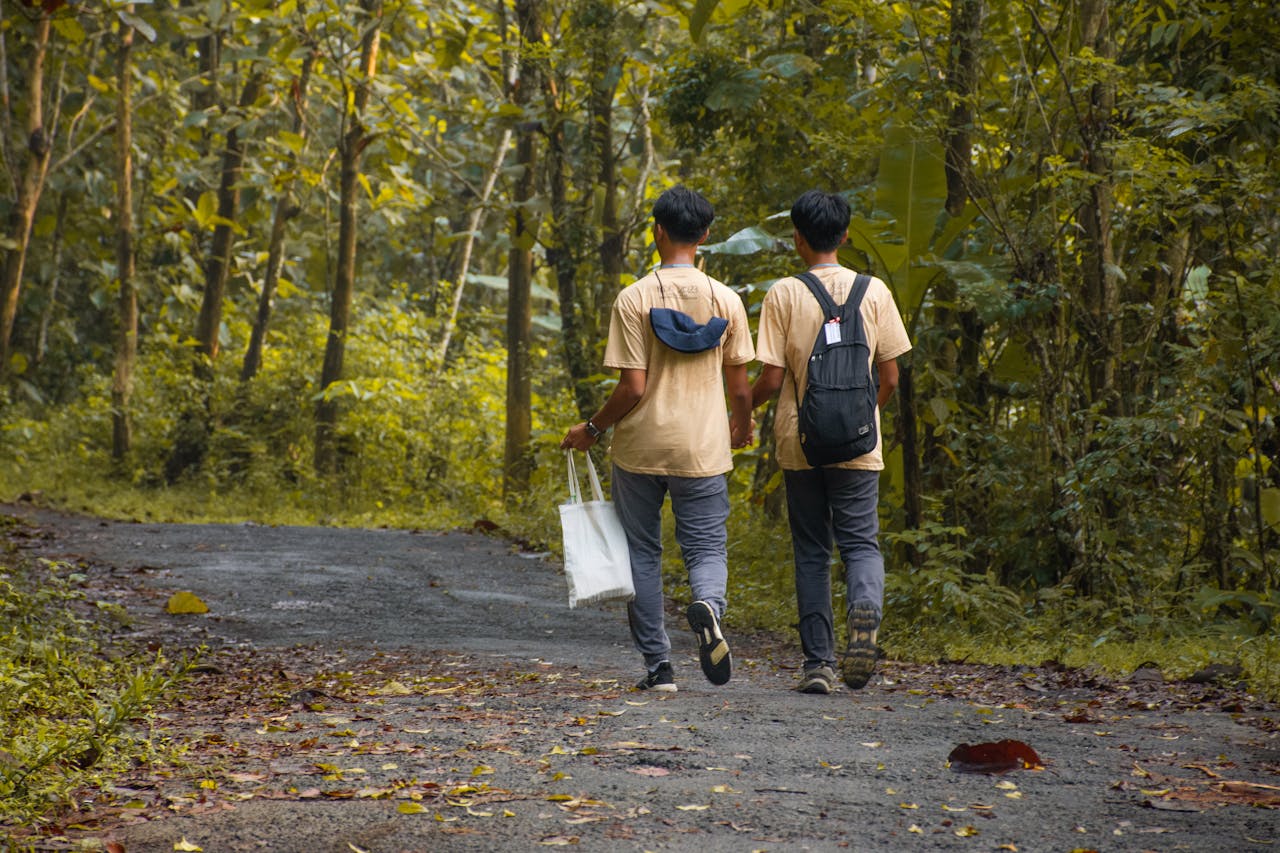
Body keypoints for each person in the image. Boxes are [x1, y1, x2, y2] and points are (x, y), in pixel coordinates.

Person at [561, 185, 754, 693]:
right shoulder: (727, 301)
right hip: (703, 447)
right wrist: (743, 426)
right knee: (707, 548)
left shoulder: (634, 298)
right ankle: (709, 608)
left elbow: (632, 387)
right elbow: (739, 386)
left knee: (641, 553)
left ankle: (659, 669)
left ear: (658, 232)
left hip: (640, 448)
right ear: (706, 235)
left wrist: (592, 429)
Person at [750, 190, 912, 695]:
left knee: (812, 550)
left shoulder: (784, 293)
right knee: (861, 542)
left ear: (797, 238)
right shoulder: (875, 291)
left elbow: (772, 380)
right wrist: (863, 418)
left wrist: (737, 410)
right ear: (844, 236)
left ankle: (817, 664)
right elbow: (890, 376)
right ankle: (865, 608)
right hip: (860, 445)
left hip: (800, 442)